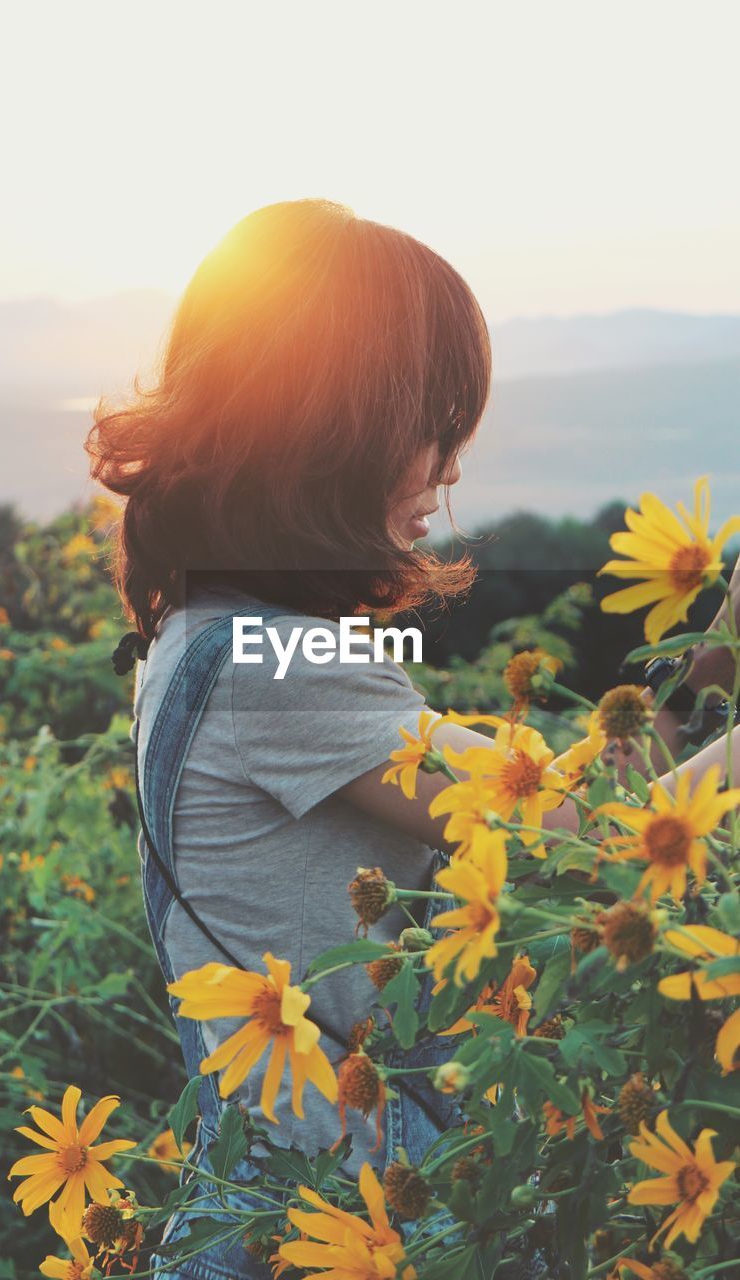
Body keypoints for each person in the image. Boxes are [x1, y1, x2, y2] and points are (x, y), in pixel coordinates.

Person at [86, 198, 740, 1279]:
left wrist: (713, 659)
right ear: (327, 429)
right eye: (432, 420)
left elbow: (565, 795)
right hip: (357, 1229)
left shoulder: (205, 635)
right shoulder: (268, 664)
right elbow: (595, 838)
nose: (447, 467)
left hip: (282, 1207)